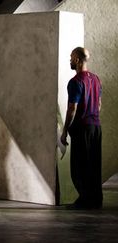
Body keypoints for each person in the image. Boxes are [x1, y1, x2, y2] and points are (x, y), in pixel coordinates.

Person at [60, 47, 102, 209]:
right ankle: (95, 200)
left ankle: (84, 201)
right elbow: (98, 105)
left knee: (79, 167)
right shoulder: (96, 79)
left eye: (71, 57)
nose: (70, 60)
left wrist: (64, 132)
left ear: (77, 60)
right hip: (96, 128)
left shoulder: (76, 81)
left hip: (82, 128)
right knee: (94, 165)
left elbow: (72, 109)